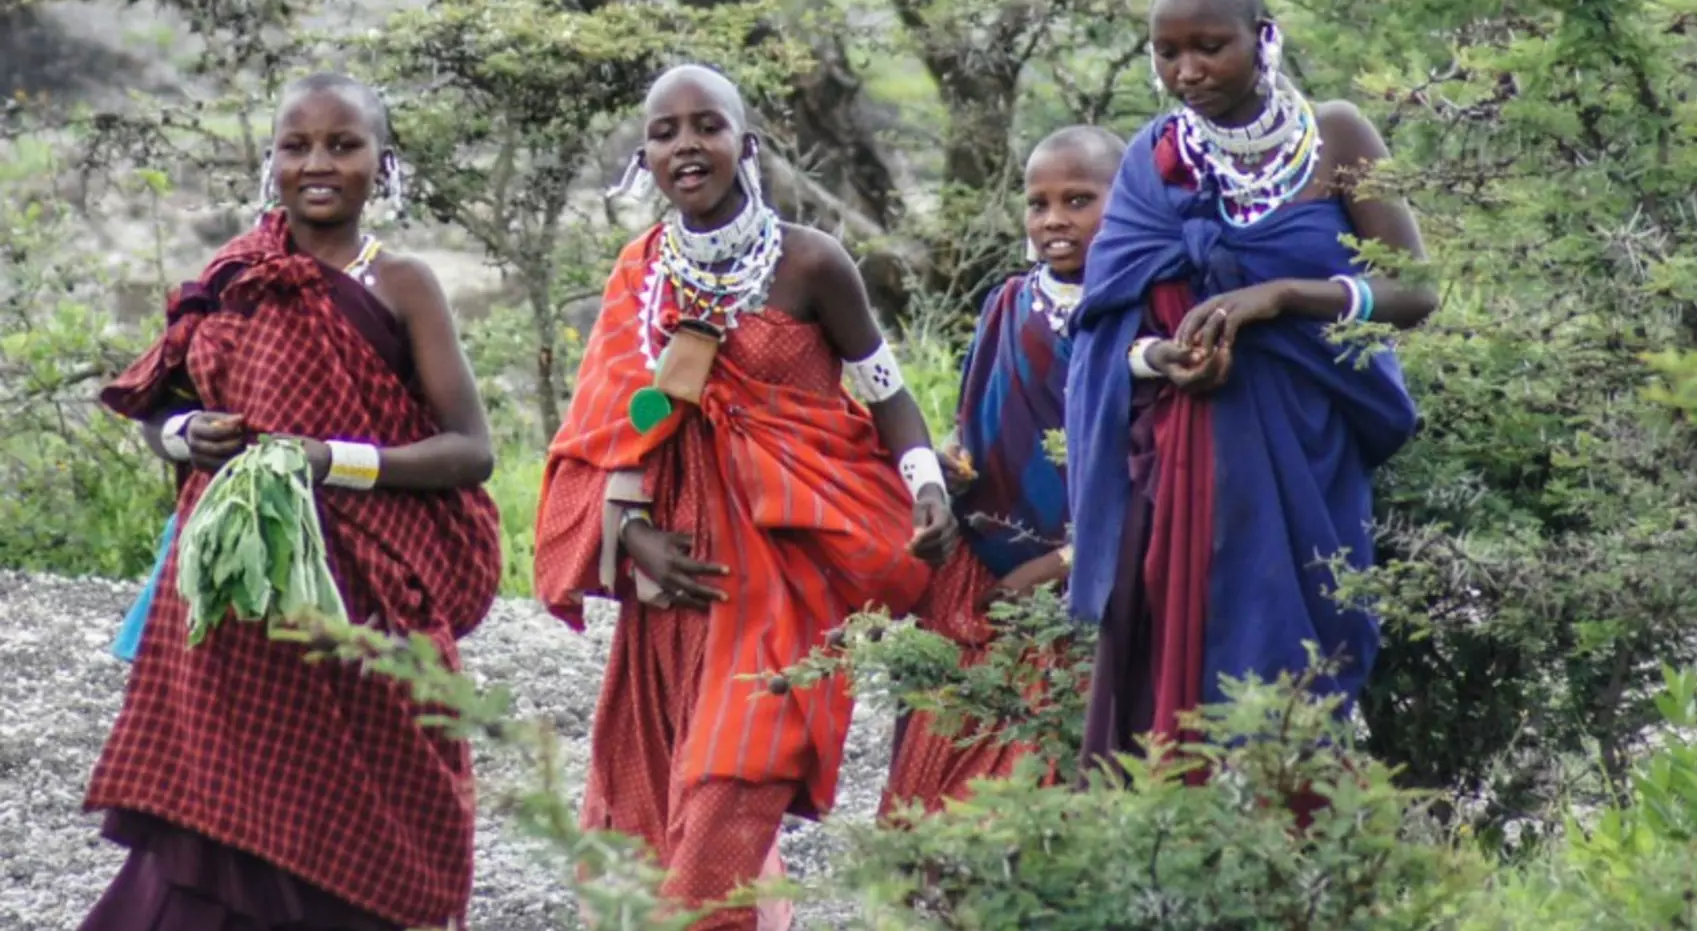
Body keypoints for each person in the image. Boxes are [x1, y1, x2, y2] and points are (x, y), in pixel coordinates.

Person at [533, 64, 957, 930]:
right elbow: (615, 422)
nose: (686, 144)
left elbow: (887, 394)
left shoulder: (811, 262)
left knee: (733, 779)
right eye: (664, 131)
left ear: (746, 144)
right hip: (677, 582)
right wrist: (632, 534)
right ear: (644, 157)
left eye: (707, 125)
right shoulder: (642, 273)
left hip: (783, 578)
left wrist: (925, 482)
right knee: (667, 796)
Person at [81, 72, 503, 931]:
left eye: (344, 145)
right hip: (239, 615)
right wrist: (186, 433)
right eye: (296, 145)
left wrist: (329, 461)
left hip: (365, 601)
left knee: (375, 824)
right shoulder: (233, 275)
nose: (318, 163)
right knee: (222, 827)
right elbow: (155, 402)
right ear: (269, 159)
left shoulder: (403, 285)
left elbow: (470, 449)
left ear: (383, 164)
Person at [1066, 0, 1438, 773]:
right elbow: (1099, 332)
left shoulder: (1336, 134)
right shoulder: (1152, 160)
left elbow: (1415, 293)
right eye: (1167, 52)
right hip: (1190, 469)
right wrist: (1164, 358)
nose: (1186, 71)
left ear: (1262, 37)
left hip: (1312, 456)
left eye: (1210, 46)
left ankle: (1307, 876)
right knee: (1191, 694)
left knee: (1304, 675)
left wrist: (1283, 297)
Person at [880, 126, 1124, 819]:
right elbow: (974, 422)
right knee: (947, 754)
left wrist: (1057, 567)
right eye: (1038, 202)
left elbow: (1156, 469)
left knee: (1048, 766)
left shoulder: (1144, 312)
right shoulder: (1007, 304)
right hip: (981, 571)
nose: (1054, 220)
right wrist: (951, 471)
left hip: (1095, 578)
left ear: (1128, 201)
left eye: (1079, 200)